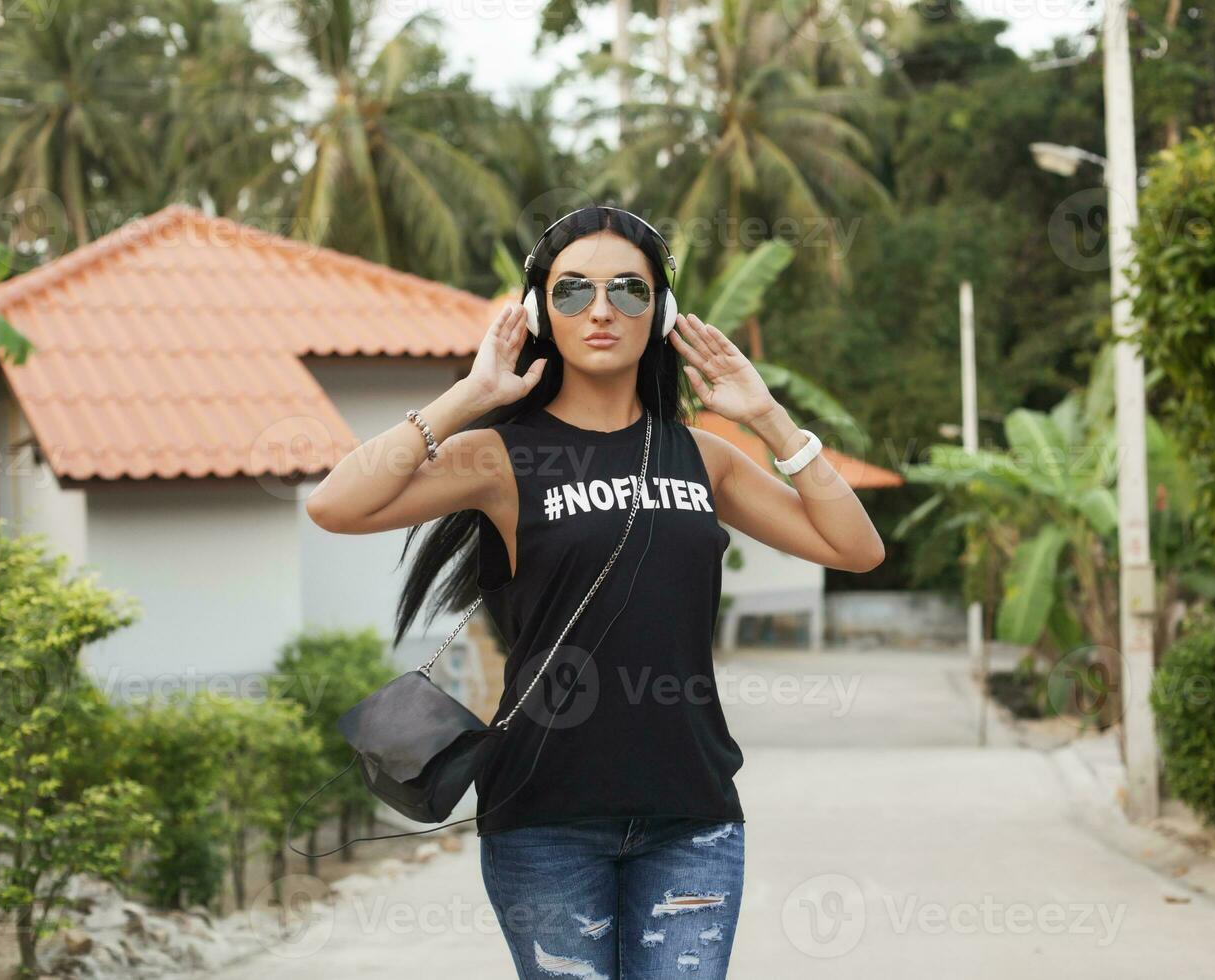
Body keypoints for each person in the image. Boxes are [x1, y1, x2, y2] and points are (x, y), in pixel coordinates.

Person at [304, 205, 884, 979]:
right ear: (542, 312)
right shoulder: (499, 457)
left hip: (692, 817)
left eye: (629, 292)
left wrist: (770, 418)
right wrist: (469, 395)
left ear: (662, 312)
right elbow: (335, 505)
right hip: (546, 821)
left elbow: (857, 547)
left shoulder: (703, 458)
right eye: (572, 292)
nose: (601, 310)